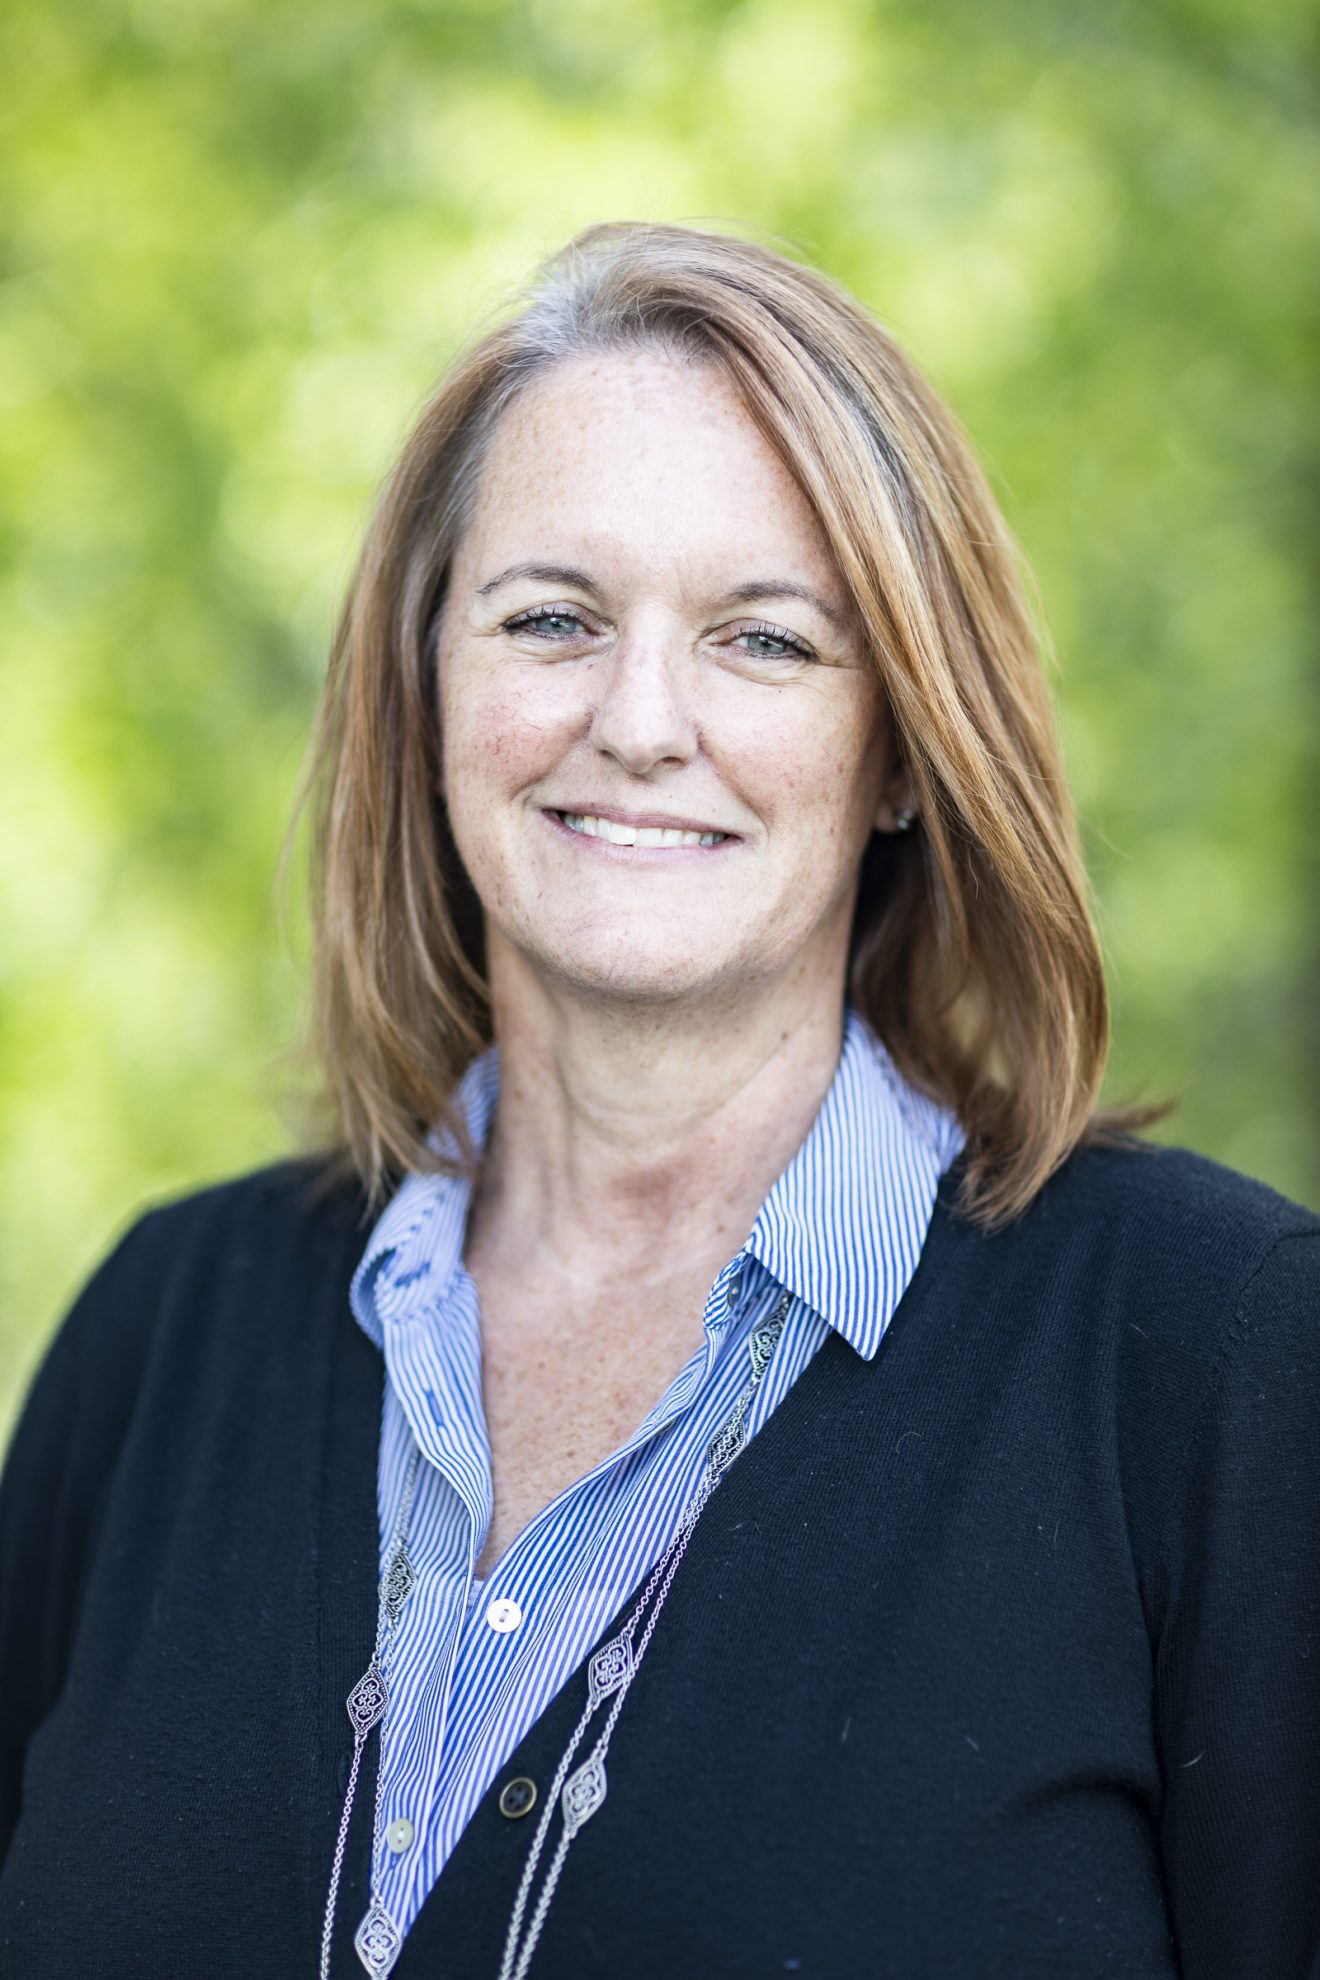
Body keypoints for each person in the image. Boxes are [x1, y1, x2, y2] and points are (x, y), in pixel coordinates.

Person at [0, 222, 1316, 1980]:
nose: (637, 720)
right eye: (551, 619)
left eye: (763, 642)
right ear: (429, 687)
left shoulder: (1213, 1352)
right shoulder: (160, 1334)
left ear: (907, 753)